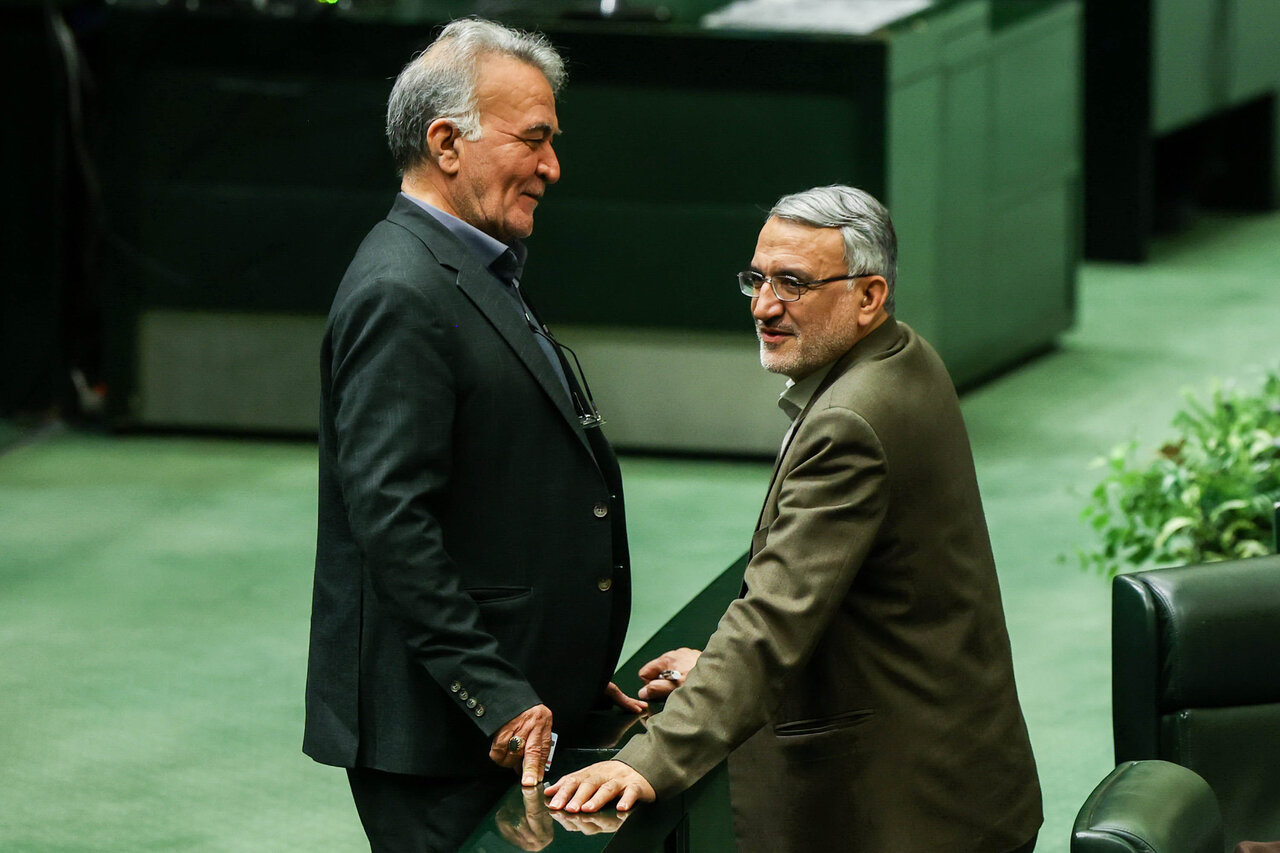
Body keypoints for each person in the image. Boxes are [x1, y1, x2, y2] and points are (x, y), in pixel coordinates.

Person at [545, 185, 1043, 852]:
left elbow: (772, 620)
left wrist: (648, 758)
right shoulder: (903, 355)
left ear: (868, 296)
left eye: (794, 283)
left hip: (911, 816)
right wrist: (714, 671)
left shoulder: (850, 421)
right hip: (962, 784)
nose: (763, 305)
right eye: (757, 279)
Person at [302, 18, 642, 851]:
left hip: (507, 716)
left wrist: (567, 677)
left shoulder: (472, 262)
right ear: (447, 142)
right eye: (534, 139)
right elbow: (394, 521)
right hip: (444, 741)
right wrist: (495, 693)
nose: (552, 167)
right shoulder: (402, 291)